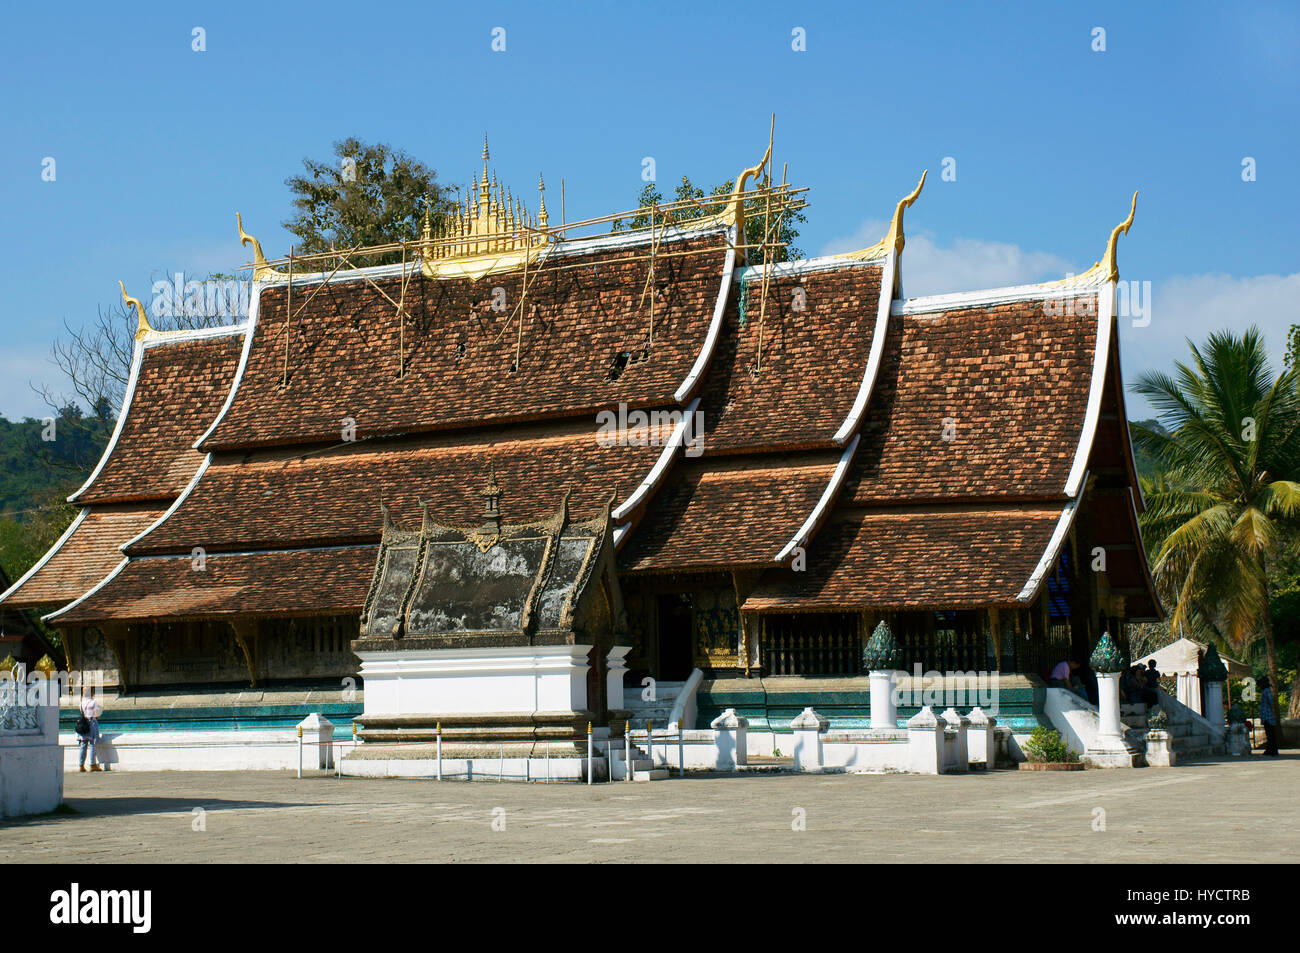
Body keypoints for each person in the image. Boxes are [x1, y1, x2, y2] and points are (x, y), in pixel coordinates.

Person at [77, 688, 103, 772]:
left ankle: (81, 765)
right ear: (92, 693)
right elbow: (99, 712)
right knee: (92, 744)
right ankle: (92, 764)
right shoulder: (94, 702)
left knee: (83, 744)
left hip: (83, 724)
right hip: (91, 723)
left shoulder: (81, 703)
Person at [1259, 676, 1280, 757]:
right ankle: (1272, 749)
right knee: (1270, 734)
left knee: (1270, 734)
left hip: (1267, 715)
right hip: (1266, 715)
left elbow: (1271, 701)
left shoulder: (1266, 691)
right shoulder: (1266, 690)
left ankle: (1272, 750)